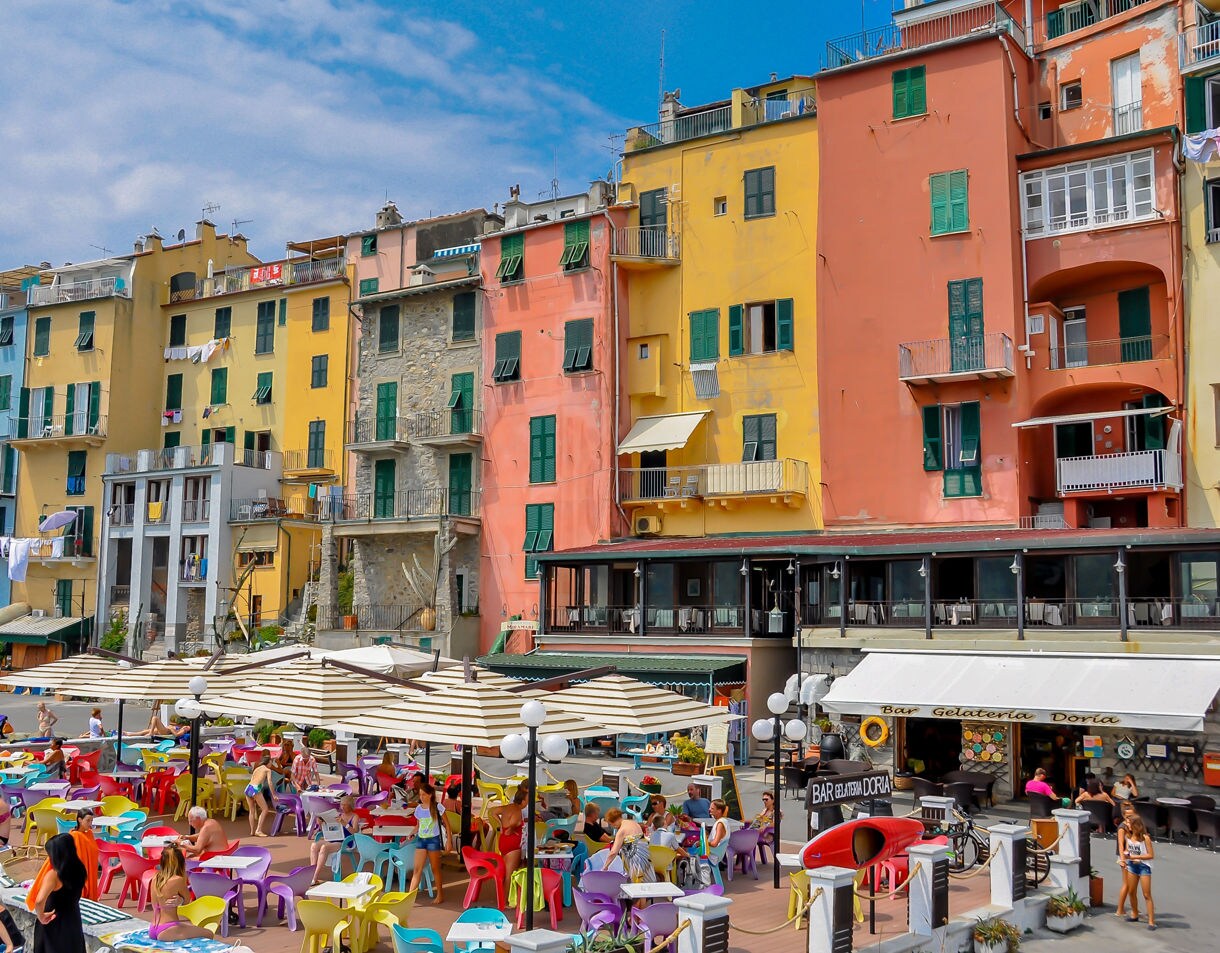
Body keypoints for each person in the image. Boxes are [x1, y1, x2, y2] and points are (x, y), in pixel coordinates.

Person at [30, 832, 86, 953]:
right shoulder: (80, 869)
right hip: (73, 918)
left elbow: (39, 901)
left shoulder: (54, 875)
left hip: (53, 920)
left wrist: (41, 916)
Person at [149, 845, 211, 941]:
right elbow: (187, 901)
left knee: (186, 927)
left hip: (153, 927)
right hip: (168, 928)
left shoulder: (155, 878)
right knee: (208, 933)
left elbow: (154, 904)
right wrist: (181, 899)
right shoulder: (178, 879)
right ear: (180, 863)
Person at [310, 795, 365, 885]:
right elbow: (330, 828)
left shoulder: (355, 817)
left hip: (346, 842)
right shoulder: (338, 815)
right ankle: (311, 873)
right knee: (314, 845)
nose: (342, 807)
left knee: (324, 847)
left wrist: (344, 823)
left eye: (345, 805)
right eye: (341, 805)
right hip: (334, 838)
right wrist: (321, 823)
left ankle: (315, 877)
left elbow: (354, 832)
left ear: (350, 805)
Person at [411, 782, 449, 904]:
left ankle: (440, 894)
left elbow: (447, 824)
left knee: (435, 868)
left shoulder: (437, 807)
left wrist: (449, 841)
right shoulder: (418, 809)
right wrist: (411, 833)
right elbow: (418, 826)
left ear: (430, 795)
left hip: (433, 840)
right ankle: (409, 897)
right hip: (421, 840)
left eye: (424, 794)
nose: (421, 797)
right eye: (420, 795)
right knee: (417, 869)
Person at [602, 807, 656, 884]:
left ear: (613, 821)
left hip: (636, 859)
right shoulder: (633, 823)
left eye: (611, 824)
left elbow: (614, 852)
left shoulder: (621, 831)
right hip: (646, 855)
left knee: (637, 883)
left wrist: (605, 866)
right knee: (646, 881)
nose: (613, 826)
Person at [1121, 815, 1156, 929]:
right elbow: (1127, 850)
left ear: (1136, 825)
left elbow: (1151, 855)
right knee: (1131, 891)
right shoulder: (1128, 836)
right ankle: (1134, 913)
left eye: (1129, 823)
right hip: (1132, 865)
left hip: (1143, 866)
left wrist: (1138, 857)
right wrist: (1126, 856)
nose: (1127, 825)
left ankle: (1151, 921)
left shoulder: (1145, 838)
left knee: (1146, 894)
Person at [496, 786, 527, 880]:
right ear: (522, 801)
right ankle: (507, 895)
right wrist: (511, 829)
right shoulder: (517, 810)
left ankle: (501, 894)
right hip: (512, 845)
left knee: (504, 874)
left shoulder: (508, 807)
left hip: (504, 841)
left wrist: (500, 824)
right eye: (527, 800)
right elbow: (515, 822)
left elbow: (493, 812)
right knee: (510, 876)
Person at [1115, 801, 1138, 921]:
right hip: (1124, 857)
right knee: (1127, 884)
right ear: (1124, 816)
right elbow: (1120, 844)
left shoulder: (1133, 825)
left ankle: (1132, 908)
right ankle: (1120, 909)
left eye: (1132, 815)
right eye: (1128, 816)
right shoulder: (1122, 827)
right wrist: (1123, 860)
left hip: (1132, 856)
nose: (1130, 817)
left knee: (1131, 885)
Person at [245, 752, 276, 837]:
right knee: (265, 809)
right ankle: (258, 830)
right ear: (268, 762)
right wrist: (273, 795)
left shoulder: (257, 768)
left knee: (252, 810)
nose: (271, 764)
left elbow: (252, 779)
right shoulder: (267, 770)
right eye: (271, 762)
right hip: (255, 788)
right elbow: (270, 782)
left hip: (249, 787)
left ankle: (252, 830)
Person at [70, 811, 99, 901]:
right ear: (80, 820)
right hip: (81, 872)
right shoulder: (75, 835)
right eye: (88, 821)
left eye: (91, 821)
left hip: (91, 869)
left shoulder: (89, 833)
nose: (90, 824)